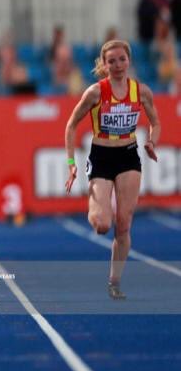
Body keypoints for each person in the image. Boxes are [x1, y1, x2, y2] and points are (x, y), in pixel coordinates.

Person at [65, 40, 161, 300]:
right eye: (112, 61)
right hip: (102, 156)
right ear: (104, 65)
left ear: (129, 61)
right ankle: (96, 205)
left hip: (128, 155)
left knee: (124, 225)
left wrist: (152, 142)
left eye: (122, 59)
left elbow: (155, 122)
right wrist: (71, 164)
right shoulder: (95, 92)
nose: (118, 65)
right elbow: (71, 125)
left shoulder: (141, 92)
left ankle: (114, 282)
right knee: (102, 225)